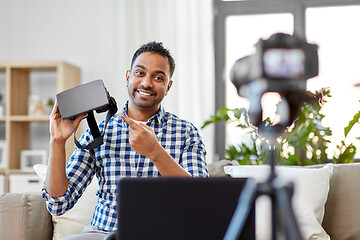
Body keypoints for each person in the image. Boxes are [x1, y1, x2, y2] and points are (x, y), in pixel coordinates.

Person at [42, 41, 208, 240]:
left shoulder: (186, 133)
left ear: (168, 86)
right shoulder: (98, 134)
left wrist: (155, 152)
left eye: (158, 77)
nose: (147, 83)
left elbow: (200, 201)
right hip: (104, 234)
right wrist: (57, 142)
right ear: (128, 76)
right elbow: (58, 204)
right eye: (140, 73)